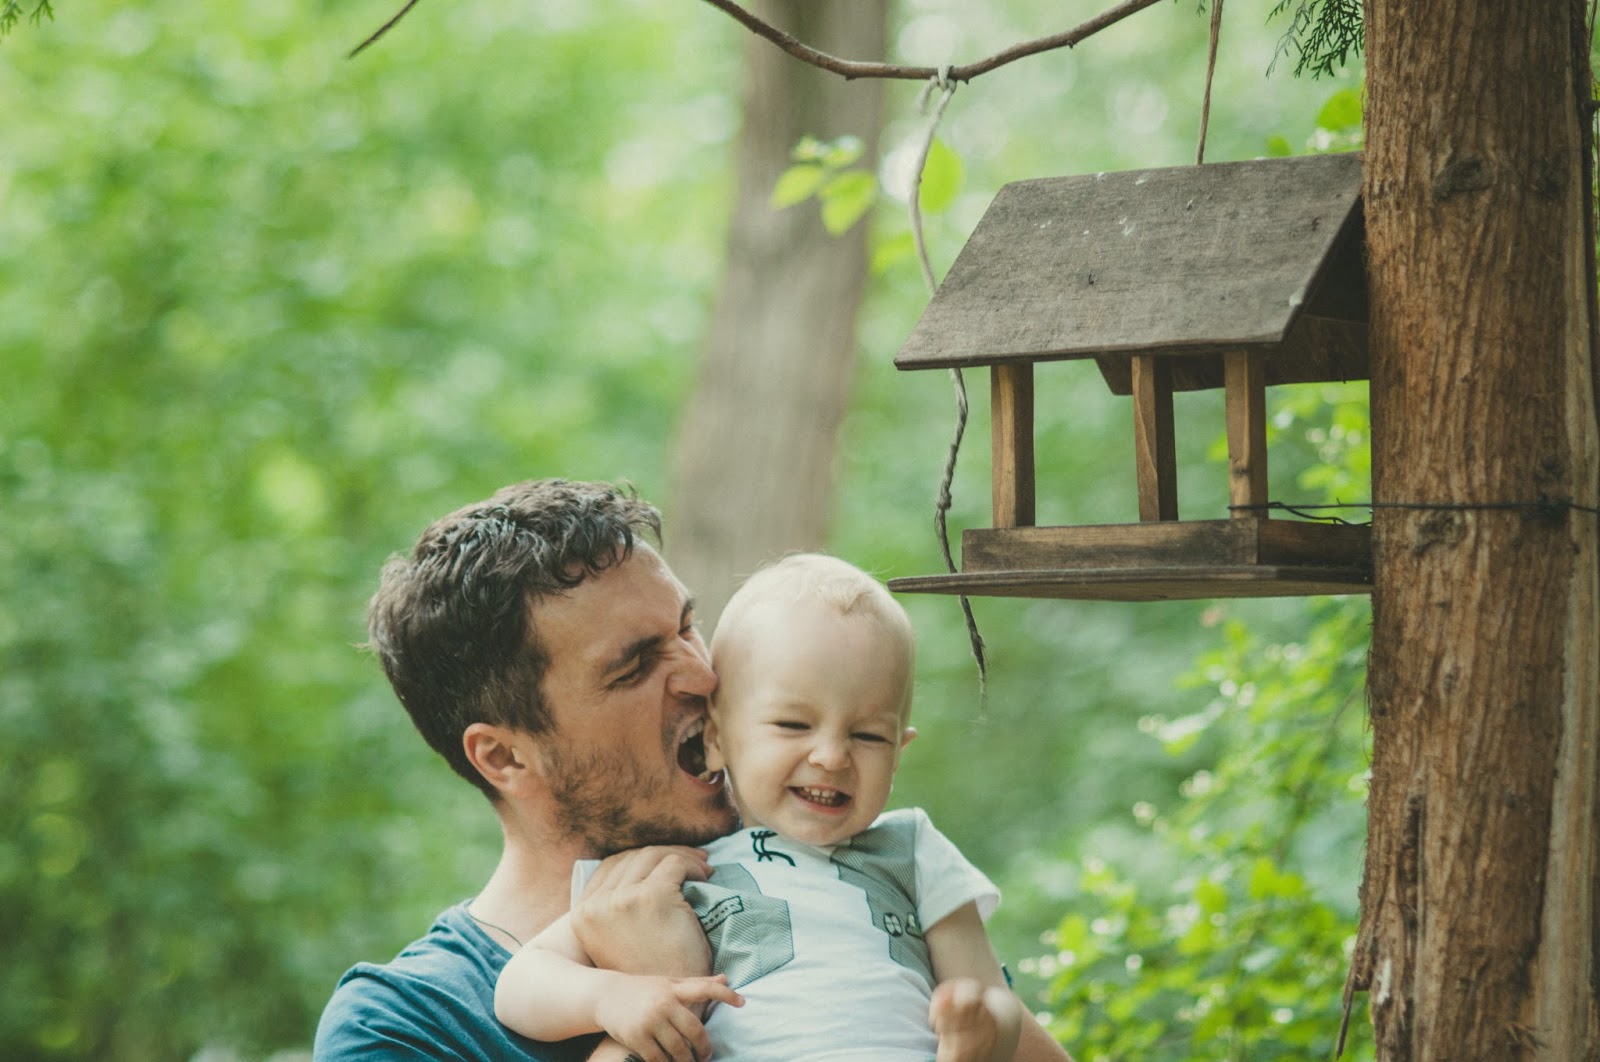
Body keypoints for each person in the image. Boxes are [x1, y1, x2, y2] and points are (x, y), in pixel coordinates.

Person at [494, 554, 1073, 1062]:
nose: (832, 756)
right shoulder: (667, 874)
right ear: (716, 739)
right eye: (794, 725)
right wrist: (612, 997)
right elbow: (521, 985)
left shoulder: (912, 851)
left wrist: (979, 1031)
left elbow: (990, 996)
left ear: (900, 753)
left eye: (869, 736)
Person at [313, 478, 745, 1062]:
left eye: (687, 627)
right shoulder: (404, 1024)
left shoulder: (829, 871)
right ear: (505, 757)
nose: (703, 675)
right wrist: (656, 998)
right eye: (635, 666)